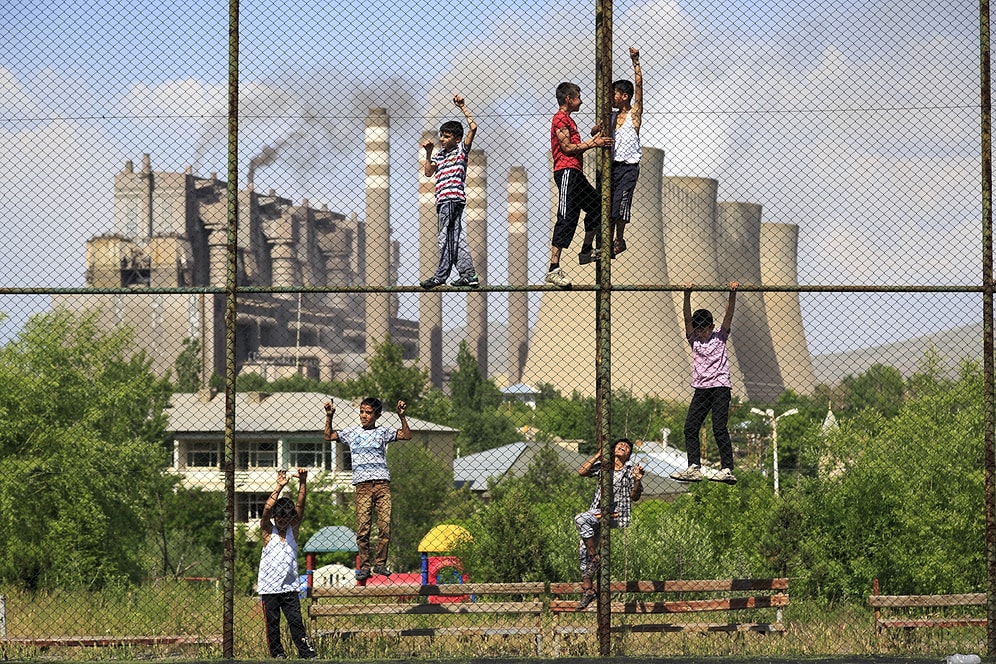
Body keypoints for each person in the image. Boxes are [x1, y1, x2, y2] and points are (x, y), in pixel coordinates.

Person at [324, 397, 412, 580]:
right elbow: (329, 436)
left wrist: (402, 416)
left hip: (382, 485)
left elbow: (406, 435)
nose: (364, 416)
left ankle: (380, 564)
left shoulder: (383, 432)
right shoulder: (352, 432)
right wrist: (329, 416)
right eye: (362, 412)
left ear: (377, 415)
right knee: (363, 528)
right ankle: (364, 566)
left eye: (368, 413)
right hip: (362, 486)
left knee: (384, 526)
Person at [545, 81, 613, 288]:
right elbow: (567, 148)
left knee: (597, 205)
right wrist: (594, 143)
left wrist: (596, 134)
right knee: (566, 217)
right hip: (566, 171)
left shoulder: (569, 120)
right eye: (578, 97)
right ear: (569, 99)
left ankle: (586, 250)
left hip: (576, 173)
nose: (581, 101)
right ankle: (553, 269)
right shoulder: (560, 119)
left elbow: (577, 143)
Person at [671, 281, 739, 485]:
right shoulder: (693, 340)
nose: (701, 333)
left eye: (704, 329)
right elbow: (686, 317)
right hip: (701, 389)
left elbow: (728, 315)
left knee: (719, 427)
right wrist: (686, 295)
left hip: (720, 387)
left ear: (711, 327)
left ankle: (727, 469)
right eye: (698, 329)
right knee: (690, 427)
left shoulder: (720, 336)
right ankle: (694, 467)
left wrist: (732, 293)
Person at [574, 438, 644, 610]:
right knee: (583, 548)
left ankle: (595, 558)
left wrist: (637, 480)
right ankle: (588, 590)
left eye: (627, 447)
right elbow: (582, 471)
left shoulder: (629, 471)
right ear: (612, 450)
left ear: (629, 455)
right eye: (620, 445)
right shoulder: (604, 467)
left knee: (580, 519)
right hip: (598, 512)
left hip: (616, 513)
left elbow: (635, 496)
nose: (623, 447)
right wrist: (598, 454)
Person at [420, 95, 480, 290]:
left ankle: (441, 275)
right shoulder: (440, 155)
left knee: (445, 238)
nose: (442, 139)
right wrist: (429, 153)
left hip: (452, 199)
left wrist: (463, 107)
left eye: (446, 136)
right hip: (443, 201)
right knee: (456, 238)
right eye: (441, 135)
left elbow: (473, 128)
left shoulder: (461, 150)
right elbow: (428, 172)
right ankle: (468, 275)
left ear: (457, 139)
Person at [257, 468, 318, 660]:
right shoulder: (268, 532)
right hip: (269, 588)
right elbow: (266, 510)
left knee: (296, 621)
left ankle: (306, 652)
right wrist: (279, 486)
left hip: (290, 587)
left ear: (291, 518)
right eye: (279, 517)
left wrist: (302, 482)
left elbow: (301, 505)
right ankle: (278, 653)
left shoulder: (293, 530)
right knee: (272, 624)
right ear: (275, 517)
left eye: (286, 518)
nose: (282, 521)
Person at [605, 47, 643, 258]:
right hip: (612, 167)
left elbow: (639, 87)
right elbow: (596, 130)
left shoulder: (633, 115)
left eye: (614, 94)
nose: (611, 98)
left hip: (628, 168)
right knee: (609, 206)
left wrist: (635, 63)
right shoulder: (610, 117)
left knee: (621, 205)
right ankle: (608, 242)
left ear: (625, 96)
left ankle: (619, 239)